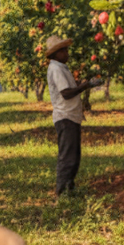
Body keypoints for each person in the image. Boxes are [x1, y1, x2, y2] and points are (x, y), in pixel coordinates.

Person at [44, 36, 103, 197]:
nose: (67, 53)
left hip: (71, 116)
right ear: (56, 54)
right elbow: (66, 93)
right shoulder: (56, 69)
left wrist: (85, 83)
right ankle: (62, 191)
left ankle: (69, 187)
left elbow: (70, 87)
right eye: (63, 50)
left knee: (74, 155)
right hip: (65, 116)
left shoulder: (62, 67)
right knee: (68, 156)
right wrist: (86, 85)